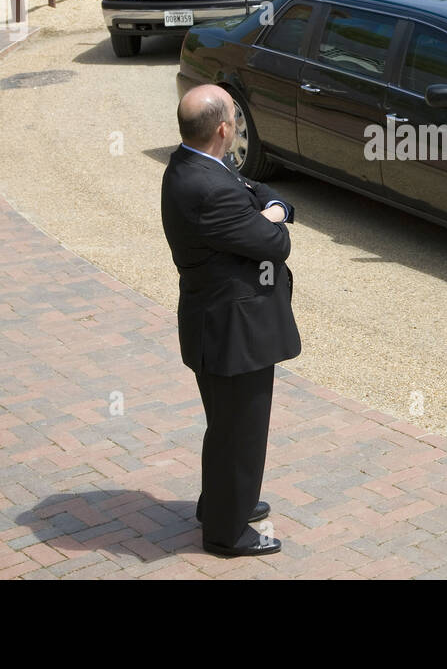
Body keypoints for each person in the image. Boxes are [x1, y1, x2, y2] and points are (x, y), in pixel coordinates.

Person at [161, 85, 301, 558]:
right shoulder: (210, 188)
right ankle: (226, 532)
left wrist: (271, 209)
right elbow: (274, 243)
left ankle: (222, 503)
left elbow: (255, 190)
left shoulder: (195, 166)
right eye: (236, 118)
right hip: (233, 332)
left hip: (217, 325)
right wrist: (275, 218)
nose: (239, 124)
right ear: (224, 129)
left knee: (226, 427)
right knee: (239, 432)